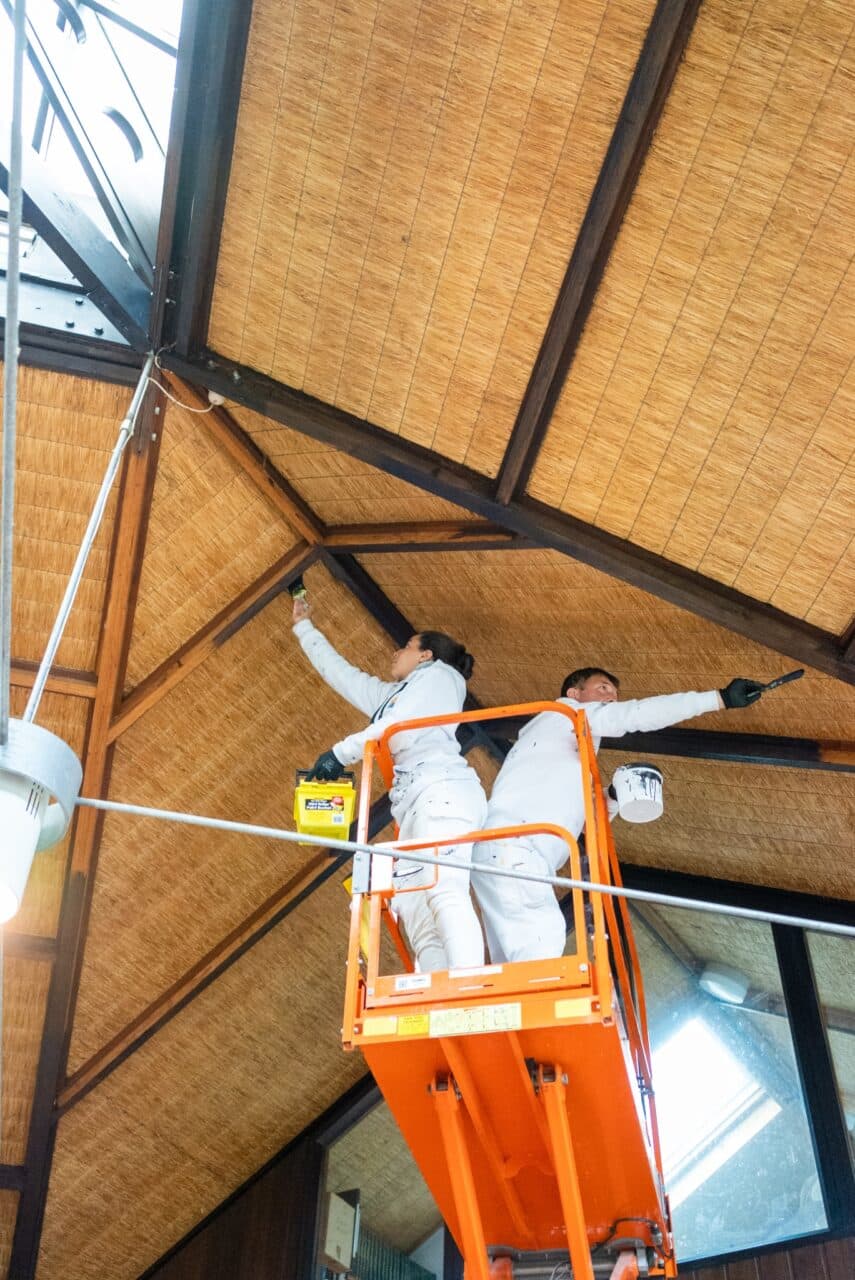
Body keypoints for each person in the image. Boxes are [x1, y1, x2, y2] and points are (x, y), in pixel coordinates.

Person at [472, 668, 766, 964]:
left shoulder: (564, 758)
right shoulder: (566, 713)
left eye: (614, 692)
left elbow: (592, 824)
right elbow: (636, 715)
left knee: (513, 967)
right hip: (517, 849)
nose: (611, 696)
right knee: (542, 944)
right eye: (602, 688)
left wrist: (613, 796)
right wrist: (720, 699)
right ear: (575, 694)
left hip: (507, 851)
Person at [291, 595, 487, 973]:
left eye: (407, 647)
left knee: (445, 891)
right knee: (417, 912)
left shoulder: (441, 678)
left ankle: (465, 988)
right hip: (416, 804)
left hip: (442, 791)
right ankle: (437, 997)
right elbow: (343, 675)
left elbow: (392, 728)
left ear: (426, 655)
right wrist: (304, 628)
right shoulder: (396, 696)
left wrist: (339, 752)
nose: (396, 652)